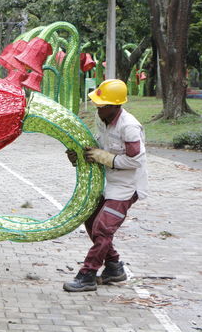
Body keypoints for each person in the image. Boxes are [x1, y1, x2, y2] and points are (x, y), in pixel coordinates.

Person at [63, 79, 148, 292]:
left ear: (116, 106)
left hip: (127, 187)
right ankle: (113, 267)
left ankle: (87, 275)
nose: (98, 109)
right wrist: (79, 155)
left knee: (103, 228)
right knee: (91, 221)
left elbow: (136, 160)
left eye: (102, 105)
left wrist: (106, 158)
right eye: (98, 105)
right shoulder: (103, 119)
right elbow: (98, 147)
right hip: (109, 183)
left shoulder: (129, 127)